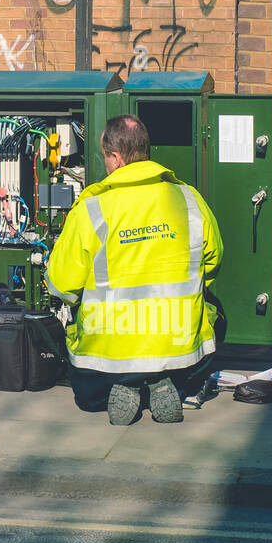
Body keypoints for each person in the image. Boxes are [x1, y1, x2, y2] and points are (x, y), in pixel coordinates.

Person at [45, 115, 223, 425]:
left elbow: (61, 285)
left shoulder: (91, 209)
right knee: (216, 313)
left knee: (79, 362)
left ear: (114, 157)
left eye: (104, 157)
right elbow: (212, 264)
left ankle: (125, 384)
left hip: (108, 356)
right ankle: (171, 384)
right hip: (179, 349)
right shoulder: (188, 199)